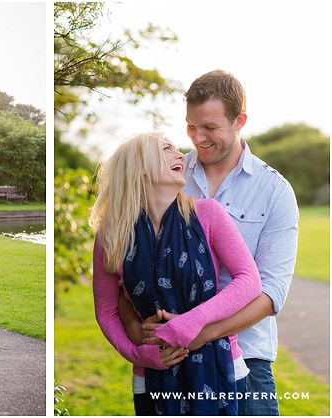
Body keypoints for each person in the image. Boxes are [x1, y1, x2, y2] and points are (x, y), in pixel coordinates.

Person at [121, 70, 299, 416]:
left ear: (239, 121)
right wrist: (134, 329)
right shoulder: (165, 176)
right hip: (170, 357)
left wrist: (202, 332)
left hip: (247, 358)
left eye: (210, 128)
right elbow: (123, 271)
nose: (197, 138)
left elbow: (270, 292)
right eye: (191, 126)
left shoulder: (275, 191)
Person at [91, 132, 261, 415]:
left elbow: (249, 280)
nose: (180, 155)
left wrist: (191, 323)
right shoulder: (111, 235)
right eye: (166, 149)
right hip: (150, 376)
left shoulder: (207, 214)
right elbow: (106, 311)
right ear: (139, 167)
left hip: (222, 367)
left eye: (176, 149)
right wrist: (138, 355)